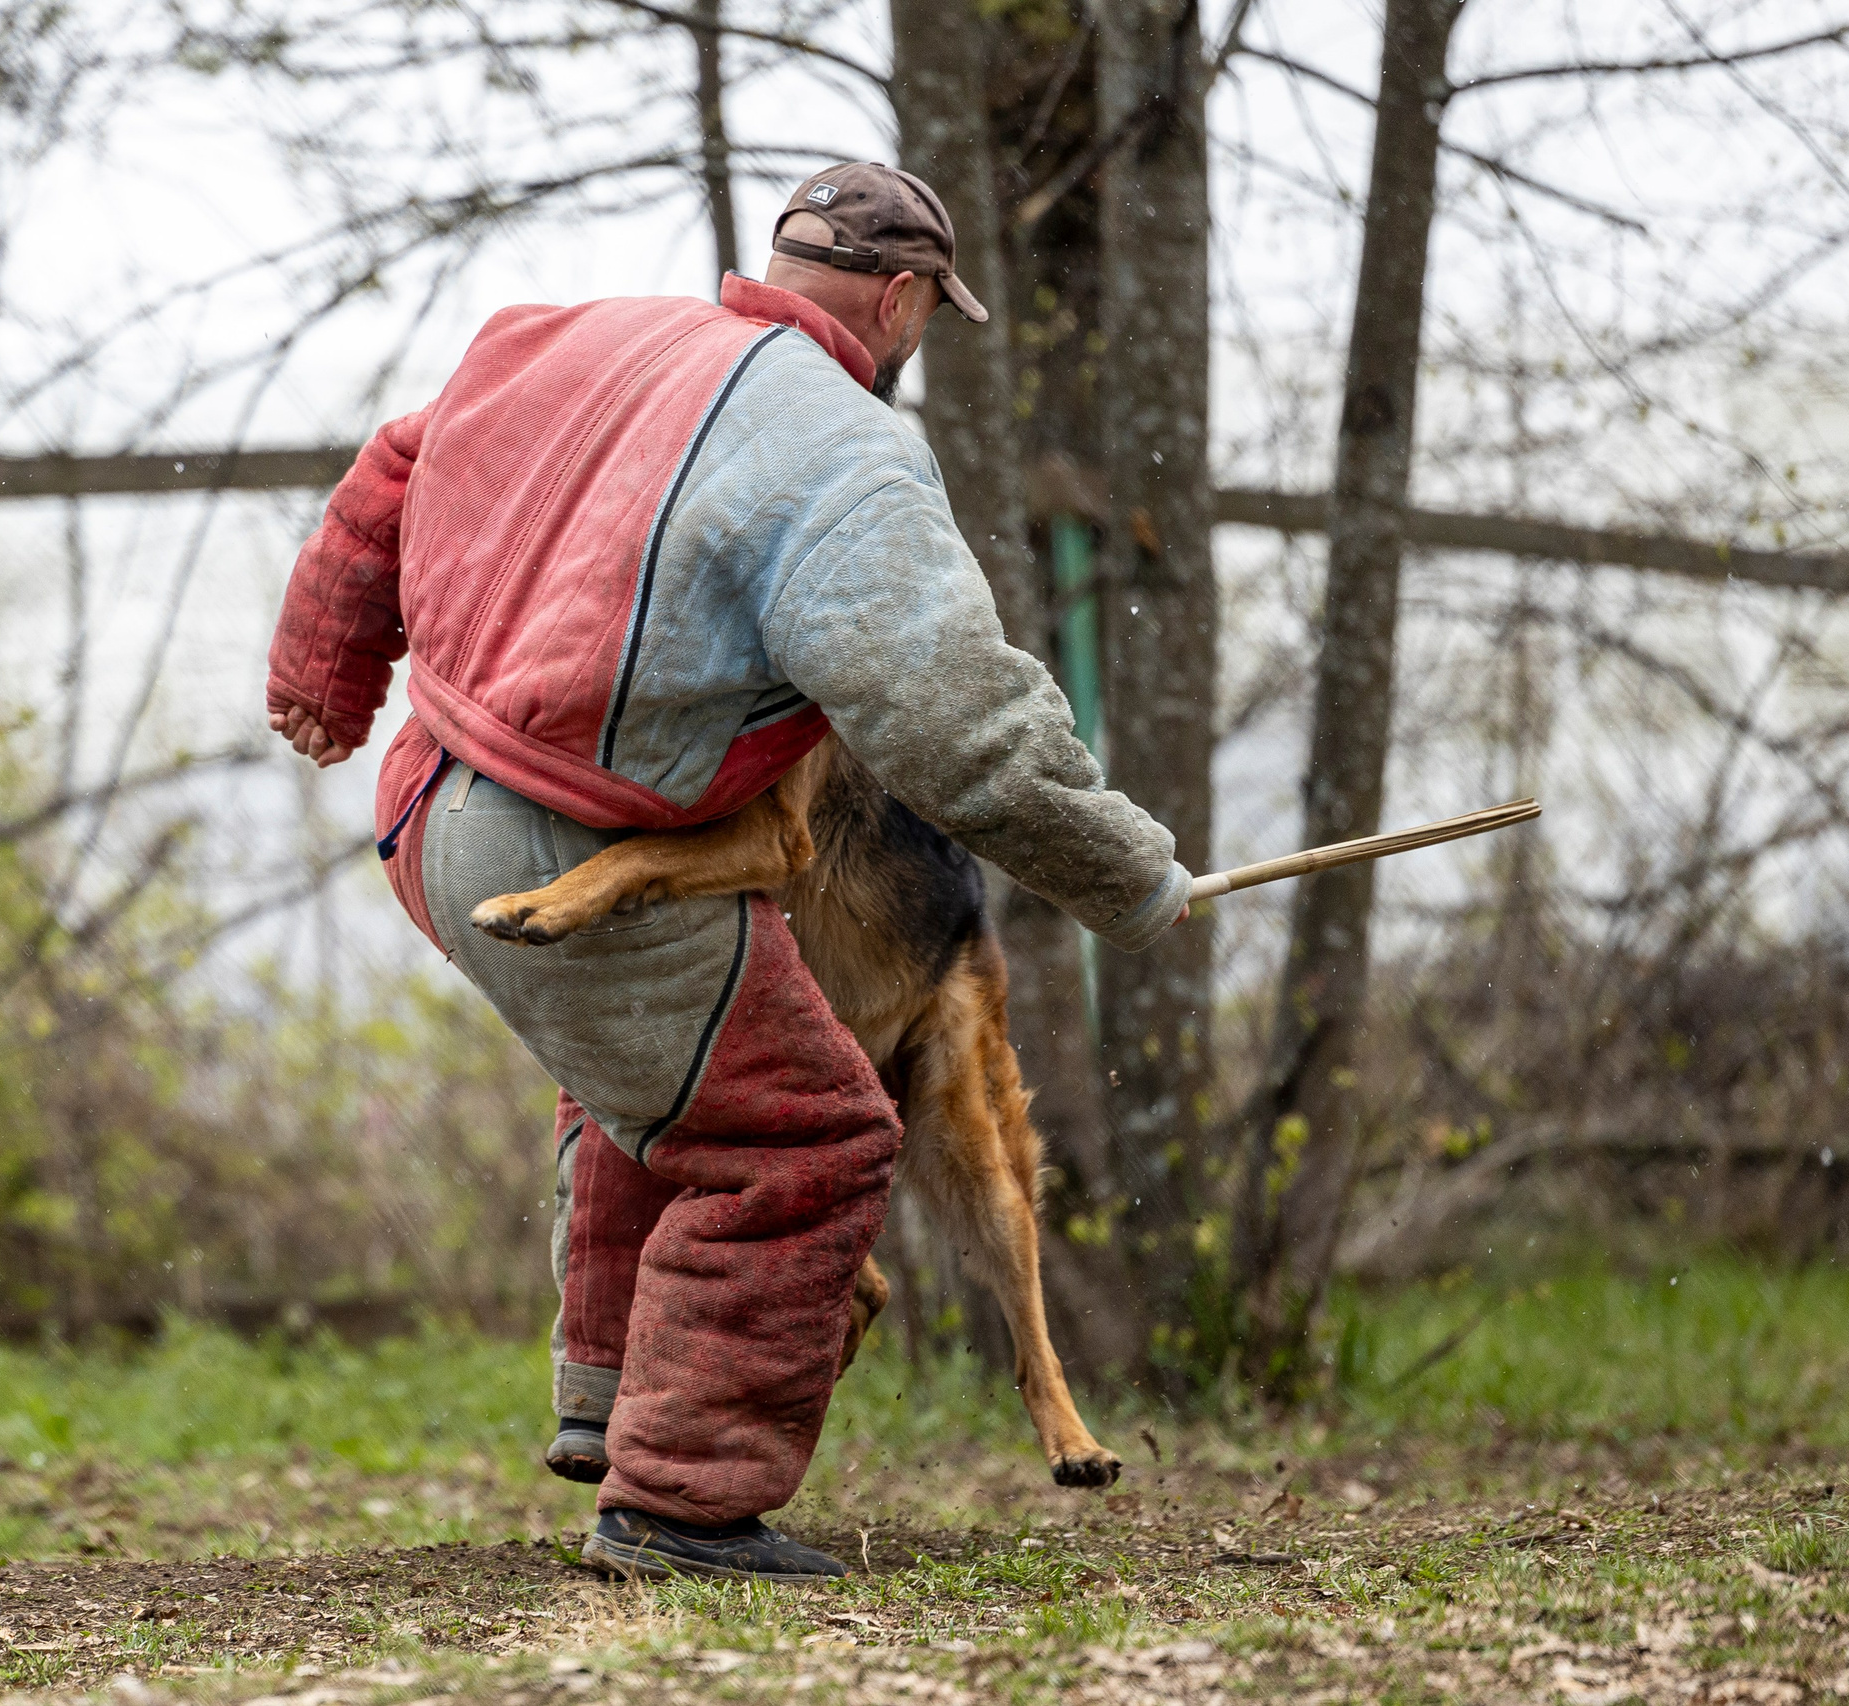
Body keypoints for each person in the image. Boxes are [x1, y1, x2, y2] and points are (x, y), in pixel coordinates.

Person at [266, 164, 1188, 1584]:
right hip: (571, 838)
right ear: (901, 302)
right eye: (931, 314)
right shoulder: (845, 451)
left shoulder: (586, 338)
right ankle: (680, 1504)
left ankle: (601, 1399)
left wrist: (324, 678)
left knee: (657, 1081)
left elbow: (398, 461)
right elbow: (965, 726)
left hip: (425, 812)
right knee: (803, 1139)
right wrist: (1127, 876)